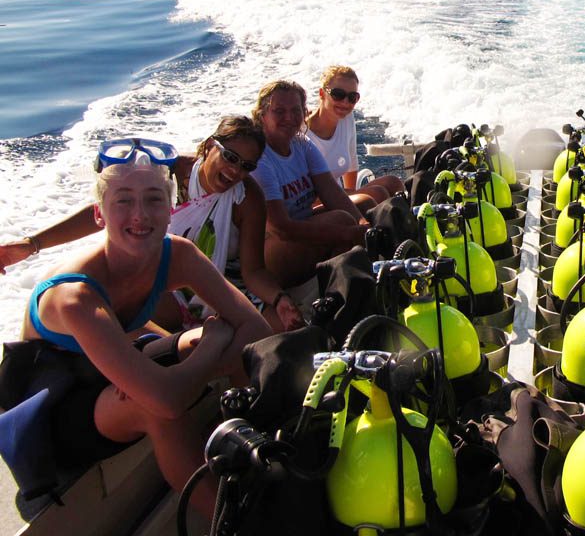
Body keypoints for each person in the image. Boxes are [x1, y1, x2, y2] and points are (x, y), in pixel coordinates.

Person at [20, 146, 272, 519]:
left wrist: (196, 356)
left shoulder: (177, 254)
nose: (140, 216)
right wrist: (211, 346)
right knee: (155, 407)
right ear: (99, 214)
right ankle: (236, 521)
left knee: (209, 348)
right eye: (123, 201)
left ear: (169, 208)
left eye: (153, 199)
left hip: (111, 368)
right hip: (55, 407)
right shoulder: (74, 296)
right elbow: (166, 401)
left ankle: (254, 452)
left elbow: (257, 328)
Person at [0, 118, 305, 332]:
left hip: (218, 281)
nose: (236, 170)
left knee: (279, 327)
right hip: (156, 279)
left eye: (247, 165)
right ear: (210, 146)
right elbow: (104, 210)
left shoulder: (246, 197)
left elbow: (253, 271)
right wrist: (32, 244)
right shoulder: (163, 172)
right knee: (116, 313)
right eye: (230, 157)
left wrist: (280, 299)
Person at [249, 80, 368, 288]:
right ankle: (338, 294)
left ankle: (353, 279)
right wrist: (347, 232)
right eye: (279, 111)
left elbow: (331, 192)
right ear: (262, 116)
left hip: (299, 230)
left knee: (364, 205)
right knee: (341, 221)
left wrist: (363, 224)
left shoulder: (301, 143)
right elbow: (282, 229)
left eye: (296, 110)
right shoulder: (260, 159)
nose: (289, 118)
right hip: (269, 252)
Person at [305, 65, 405, 212]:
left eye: (352, 97)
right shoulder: (302, 132)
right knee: (378, 193)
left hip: (339, 196)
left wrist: (352, 200)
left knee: (393, 182)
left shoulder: (346, 118)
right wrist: (352, 200)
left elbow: (351, 164)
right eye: (338, 94)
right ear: (322, 93)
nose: (345, 102)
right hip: (312, 204)